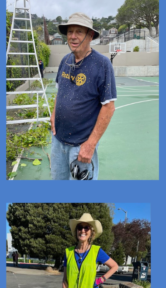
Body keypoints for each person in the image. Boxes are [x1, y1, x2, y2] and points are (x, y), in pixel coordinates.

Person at [50, 13, 117, 180]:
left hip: (81, 147)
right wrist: (53, 114)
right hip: (58, 142)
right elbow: (60, 92)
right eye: (70, 31)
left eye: (79, 32)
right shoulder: (65, 60)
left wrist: (90, 144)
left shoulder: (102, 64)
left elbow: (108, 107)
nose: (73, 36)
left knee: (80, 202)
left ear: (90, 35)